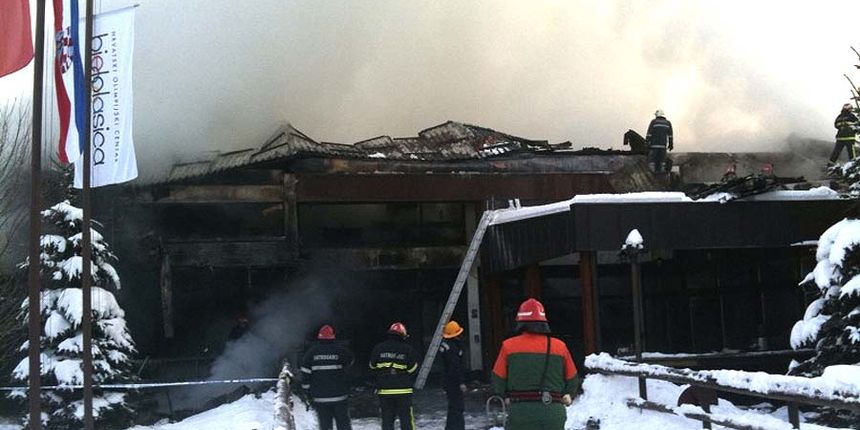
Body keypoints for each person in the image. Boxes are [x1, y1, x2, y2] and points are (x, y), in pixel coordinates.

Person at [491, 298, 581, 430]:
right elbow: (572, 379)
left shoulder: (508, 346)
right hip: (552, 412)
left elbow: (498, 379)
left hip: (520, 413)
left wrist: (505, 396)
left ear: (520, 322)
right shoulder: (560, 346)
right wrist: (568, 394)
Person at [300, 324, 355, 430]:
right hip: (340, 396)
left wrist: (307, 391)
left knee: (325, 425)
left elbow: (305, 373)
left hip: (320, 398)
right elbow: (351, 361)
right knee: (343, 424)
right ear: (333, 336)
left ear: (319, 337)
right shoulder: (340, 350)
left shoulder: (311, 352)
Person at [369, 322, 419, 430]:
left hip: (385, 391)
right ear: (403, 335)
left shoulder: (379, 348)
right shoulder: (408, 349)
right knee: (407, 422)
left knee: (387, 422)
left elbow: (372, 366)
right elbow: (413, 369)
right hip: (403, 391)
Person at [439, 320, 467, 430]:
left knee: (452, 407)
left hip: (447, 380)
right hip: (453, 382)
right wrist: (461, 382)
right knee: (458, 407)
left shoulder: (445, 345)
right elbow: (455, 366)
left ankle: (450, 428)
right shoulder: (453, 348)